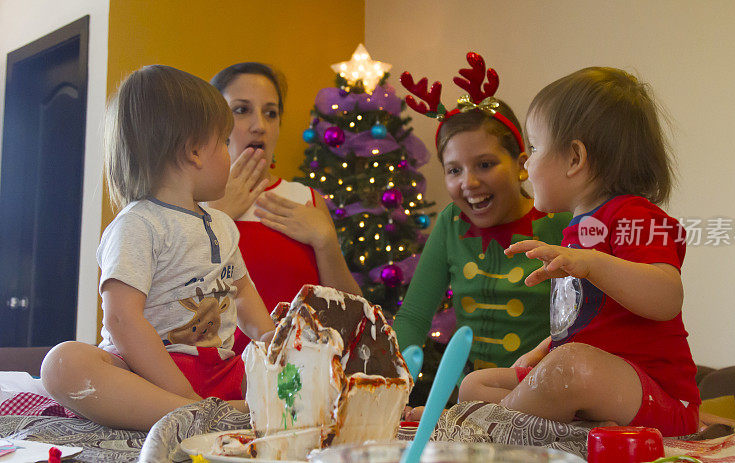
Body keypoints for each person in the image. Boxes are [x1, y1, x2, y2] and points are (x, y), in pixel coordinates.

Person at [458, 67, 700, 437]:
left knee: (571, 365)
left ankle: (488, 428)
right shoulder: (576, 231)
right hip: (597, 388)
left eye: (535, 147)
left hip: (657, 397)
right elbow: (586, 319)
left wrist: (590, 262)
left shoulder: (633, 215)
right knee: (476, 384)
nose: (526, 162)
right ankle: (567, 430)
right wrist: (543, 350)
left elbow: (667, 296)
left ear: (575, 158)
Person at [40, 65, 276, 431]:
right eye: (224, 143)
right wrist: (181, 394)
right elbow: (121, 319)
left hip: (221, 370)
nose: (230, 155)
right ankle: (193, 415)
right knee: (62, 364)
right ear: (195, 152)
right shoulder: (139, 224)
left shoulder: (223, 226)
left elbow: (242, 293)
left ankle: (213, 414)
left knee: (300, 369)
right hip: (147, 374)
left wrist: (273, 339)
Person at [393, 55, 571, 370]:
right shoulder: (451, 221)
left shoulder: (560, 221)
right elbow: (414, 316)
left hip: (543, 400)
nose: (469, 182)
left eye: (485, 164)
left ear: (520, 166)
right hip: (471, 405)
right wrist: (390, 383)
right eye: (454, 170)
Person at [209, 62, 360, 355]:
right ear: (212, 123)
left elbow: (354, 321)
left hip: (300, 384)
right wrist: (217, 215)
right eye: (241, 110)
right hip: (215, 386)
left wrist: (326, 241)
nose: (259, 126)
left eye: (271, 113)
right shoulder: (189, 203)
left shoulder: (308, 200)